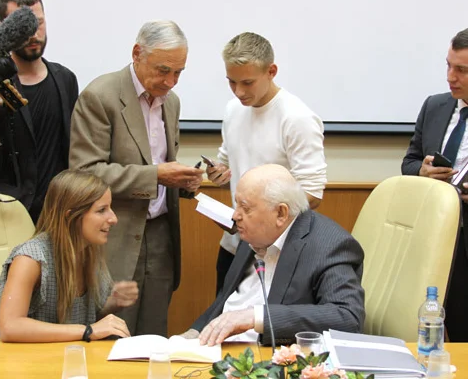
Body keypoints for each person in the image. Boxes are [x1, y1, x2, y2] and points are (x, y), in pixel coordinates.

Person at [69, 20, 203, 337]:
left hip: (161, 236)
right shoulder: (100, 96)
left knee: (154, 336)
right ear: (136, 53)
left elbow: (162, 168)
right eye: (163, 70)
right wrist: (156, 175)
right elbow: (84, 173)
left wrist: (184, 183)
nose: (170, 81)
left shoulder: (171, 102)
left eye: (179, 72)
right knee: (112, 337)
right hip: (114, 235)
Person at [182, 164, 364, 346]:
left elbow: (348, 317)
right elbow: (225, 300)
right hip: (213, 349)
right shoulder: (254, 232)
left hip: (265, 354)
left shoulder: (330, 246)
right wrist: (192, 334)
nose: (236, 215)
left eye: (245, 208)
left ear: (281, 213)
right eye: (237, 205)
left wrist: (257, 316)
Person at [205, 32, 327, 294]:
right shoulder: (233, 110)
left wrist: (260, 218)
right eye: (232, 82)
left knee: (267, 321)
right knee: (222, 317)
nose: (239, 91)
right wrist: (218, 173)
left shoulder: (297, 118)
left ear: (271, 71)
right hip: (233, 247)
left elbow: (313, 194)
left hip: (278, 255)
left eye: (248, 82)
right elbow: (228, 167)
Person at [0, 0, 78, 224]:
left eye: (39, 23)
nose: (33, 34)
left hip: (55, 216)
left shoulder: (65, 79)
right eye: (22, 27)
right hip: (5, 218)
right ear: (4, 29)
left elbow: (71, 152)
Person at [0, 170, 139, 342]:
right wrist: (88, 331)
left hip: (66, 354)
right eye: (101, 210)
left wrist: (113, 302)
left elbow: (81, 314)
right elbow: (9, 327)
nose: (113, 218)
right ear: (70, 217)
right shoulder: (30, 258)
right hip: (22, 357)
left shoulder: (89, 250)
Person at [402, 28, 468, 342]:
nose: (450, 77)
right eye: (448, 66)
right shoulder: (435, 106)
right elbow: (409, 161)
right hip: (435, 234)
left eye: (461, 70)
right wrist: (423, 172)